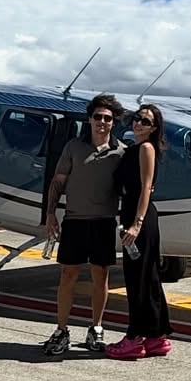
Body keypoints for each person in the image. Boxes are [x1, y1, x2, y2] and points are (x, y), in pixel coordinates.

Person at [41, 93, 126, 358]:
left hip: (103, 222)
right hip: (75, 220)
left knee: (101, 276)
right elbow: (58, 181)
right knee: (68, 274)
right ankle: (61, 329)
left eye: (107, 118)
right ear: (89, 119)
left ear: (114, 123)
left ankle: (96, 327)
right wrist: (50, 214)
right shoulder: (73, 147)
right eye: (97, 117)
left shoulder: (121, 152)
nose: (102, 122)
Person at [107, 103, 171, 360]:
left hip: (140, 217)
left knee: (137, 279)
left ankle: (134, 338)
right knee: (149, 277)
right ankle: (156, 336)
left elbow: (146, 188)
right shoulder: (135, 148)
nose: (138, 124)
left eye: (145, 121)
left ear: (154, 128)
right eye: (136, 118)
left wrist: (137, 223)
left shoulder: (145, 148)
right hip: (136, 215)